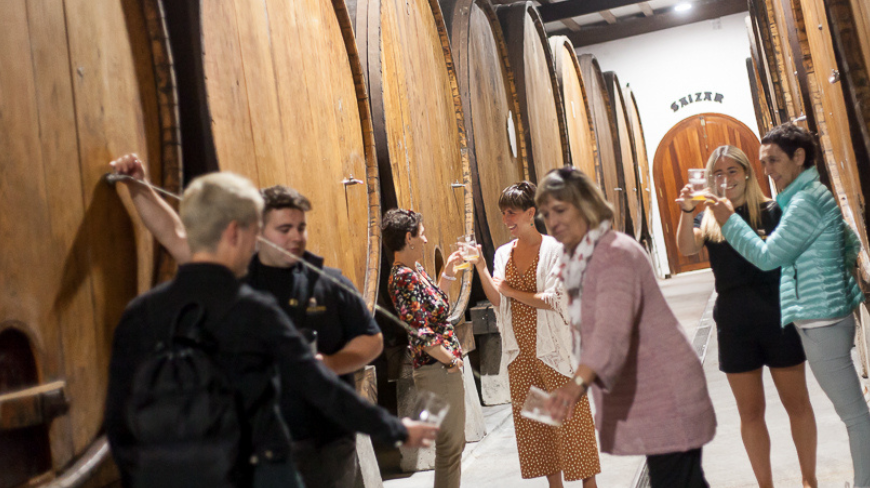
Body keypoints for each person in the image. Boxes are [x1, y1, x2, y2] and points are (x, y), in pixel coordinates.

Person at [104, 173, 437, 488]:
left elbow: (119, 421)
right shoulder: (249, 303)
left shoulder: (139, 311)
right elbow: (320, 385)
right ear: (241, 233)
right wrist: (393, 428)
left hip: (312, 445)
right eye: (276, 229)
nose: (293, 236)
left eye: (300, 227)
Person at [707, 124, 870, 488]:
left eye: (774, 160)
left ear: (799, 157)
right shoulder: (804, 197)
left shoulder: (804, 201)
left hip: (822, 318)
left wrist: (729, 221)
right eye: (763, 162)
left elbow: (767, 258)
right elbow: (850, 241)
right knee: (853, 414)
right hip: (820, 313)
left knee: (855, 416)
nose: (768, 169)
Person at [540, 167, 716, 488]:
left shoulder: (613, 254)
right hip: (653, 394)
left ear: (585, 205)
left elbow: (610, 330)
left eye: (560, 210)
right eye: (546, 213)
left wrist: (576, 384)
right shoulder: (586, 256)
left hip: (666, 392)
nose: (552, 221)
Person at [675, 145, 817, 488]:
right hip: (734, 324)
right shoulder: (707, 219)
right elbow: (686, 248)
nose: (726, 179)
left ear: (747, 173)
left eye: (732, 171)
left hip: (777, 318)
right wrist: (686, 211)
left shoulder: (772, 211)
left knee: (797, 404)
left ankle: (809, 481)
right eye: (718, 174)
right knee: (750, 413)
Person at [473, 182, 600, 488]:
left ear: (531, 212)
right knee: (539, 430)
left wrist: (510, 290)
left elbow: (554, 299)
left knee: (572, 425)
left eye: (512, 213)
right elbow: (498, 300)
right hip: (520, 354)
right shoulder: (502, 254)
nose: (506, 220)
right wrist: (480, 268)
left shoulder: (556, 249)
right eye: (503, 213)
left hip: (554, 350)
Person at [382, 208, 466, 488]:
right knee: (449, 448)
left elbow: (436, 309)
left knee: (453, 445)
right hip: (437, 369)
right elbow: (420, 332)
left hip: (442, 367)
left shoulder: (414, 270)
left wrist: (449, 272)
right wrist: (450, 360)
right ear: (409, 238)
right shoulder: (402, 277)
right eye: (422, 233)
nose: (427, 240)